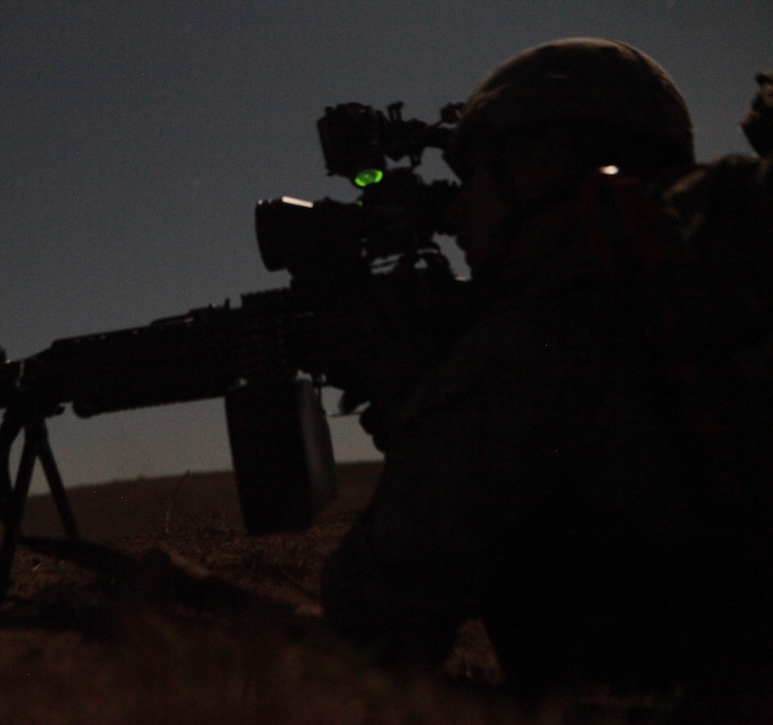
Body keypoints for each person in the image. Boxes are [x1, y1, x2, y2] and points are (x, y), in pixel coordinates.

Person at [321, 37, 773, 699]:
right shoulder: (700, 298)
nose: (455, 209)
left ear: (543, 157)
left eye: (474, 171)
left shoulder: (532, 346)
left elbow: (373, 619)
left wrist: (424, 405)